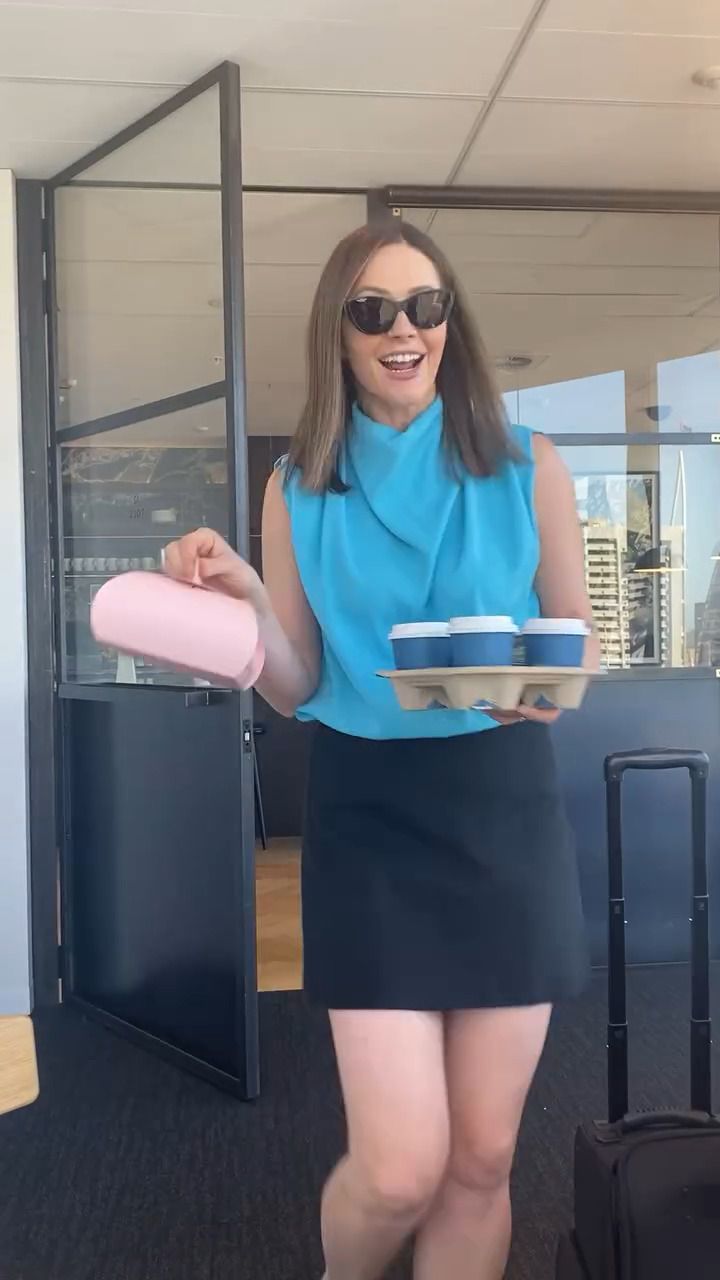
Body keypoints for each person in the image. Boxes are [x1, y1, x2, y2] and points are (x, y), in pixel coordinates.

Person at [163, 221, 599, 1280]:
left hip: (502, 808)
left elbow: (574, 643)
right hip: (368, 817)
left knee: (483, 1160)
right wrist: (247, 601)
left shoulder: (529, 464)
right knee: (401, 1168)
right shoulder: (297, 486)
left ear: (451, 321)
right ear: (340, 331)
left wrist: (536, 691)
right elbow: (296, 683)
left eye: (425, 306)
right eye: (373, 310)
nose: (404, 329)